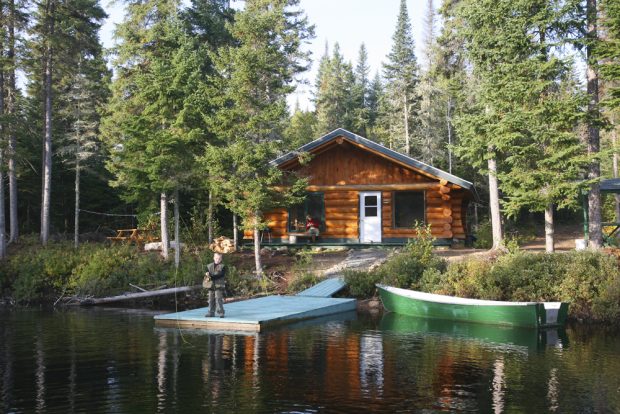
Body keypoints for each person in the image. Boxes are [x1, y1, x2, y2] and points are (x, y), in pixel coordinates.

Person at [204, 252, 226, 318]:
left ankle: (221, 312)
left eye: (219, 259)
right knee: (210, 299)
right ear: (213, 258)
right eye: (216, 258)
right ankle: (211, 312)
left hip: (219, 286)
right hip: (211, 286)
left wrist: (212, 276)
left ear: (221, 259)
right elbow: (206, 274)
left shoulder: (223, 266)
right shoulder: (209, 266)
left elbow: (221, 275)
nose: (217, 260)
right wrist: (207, 275)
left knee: (218, 298)